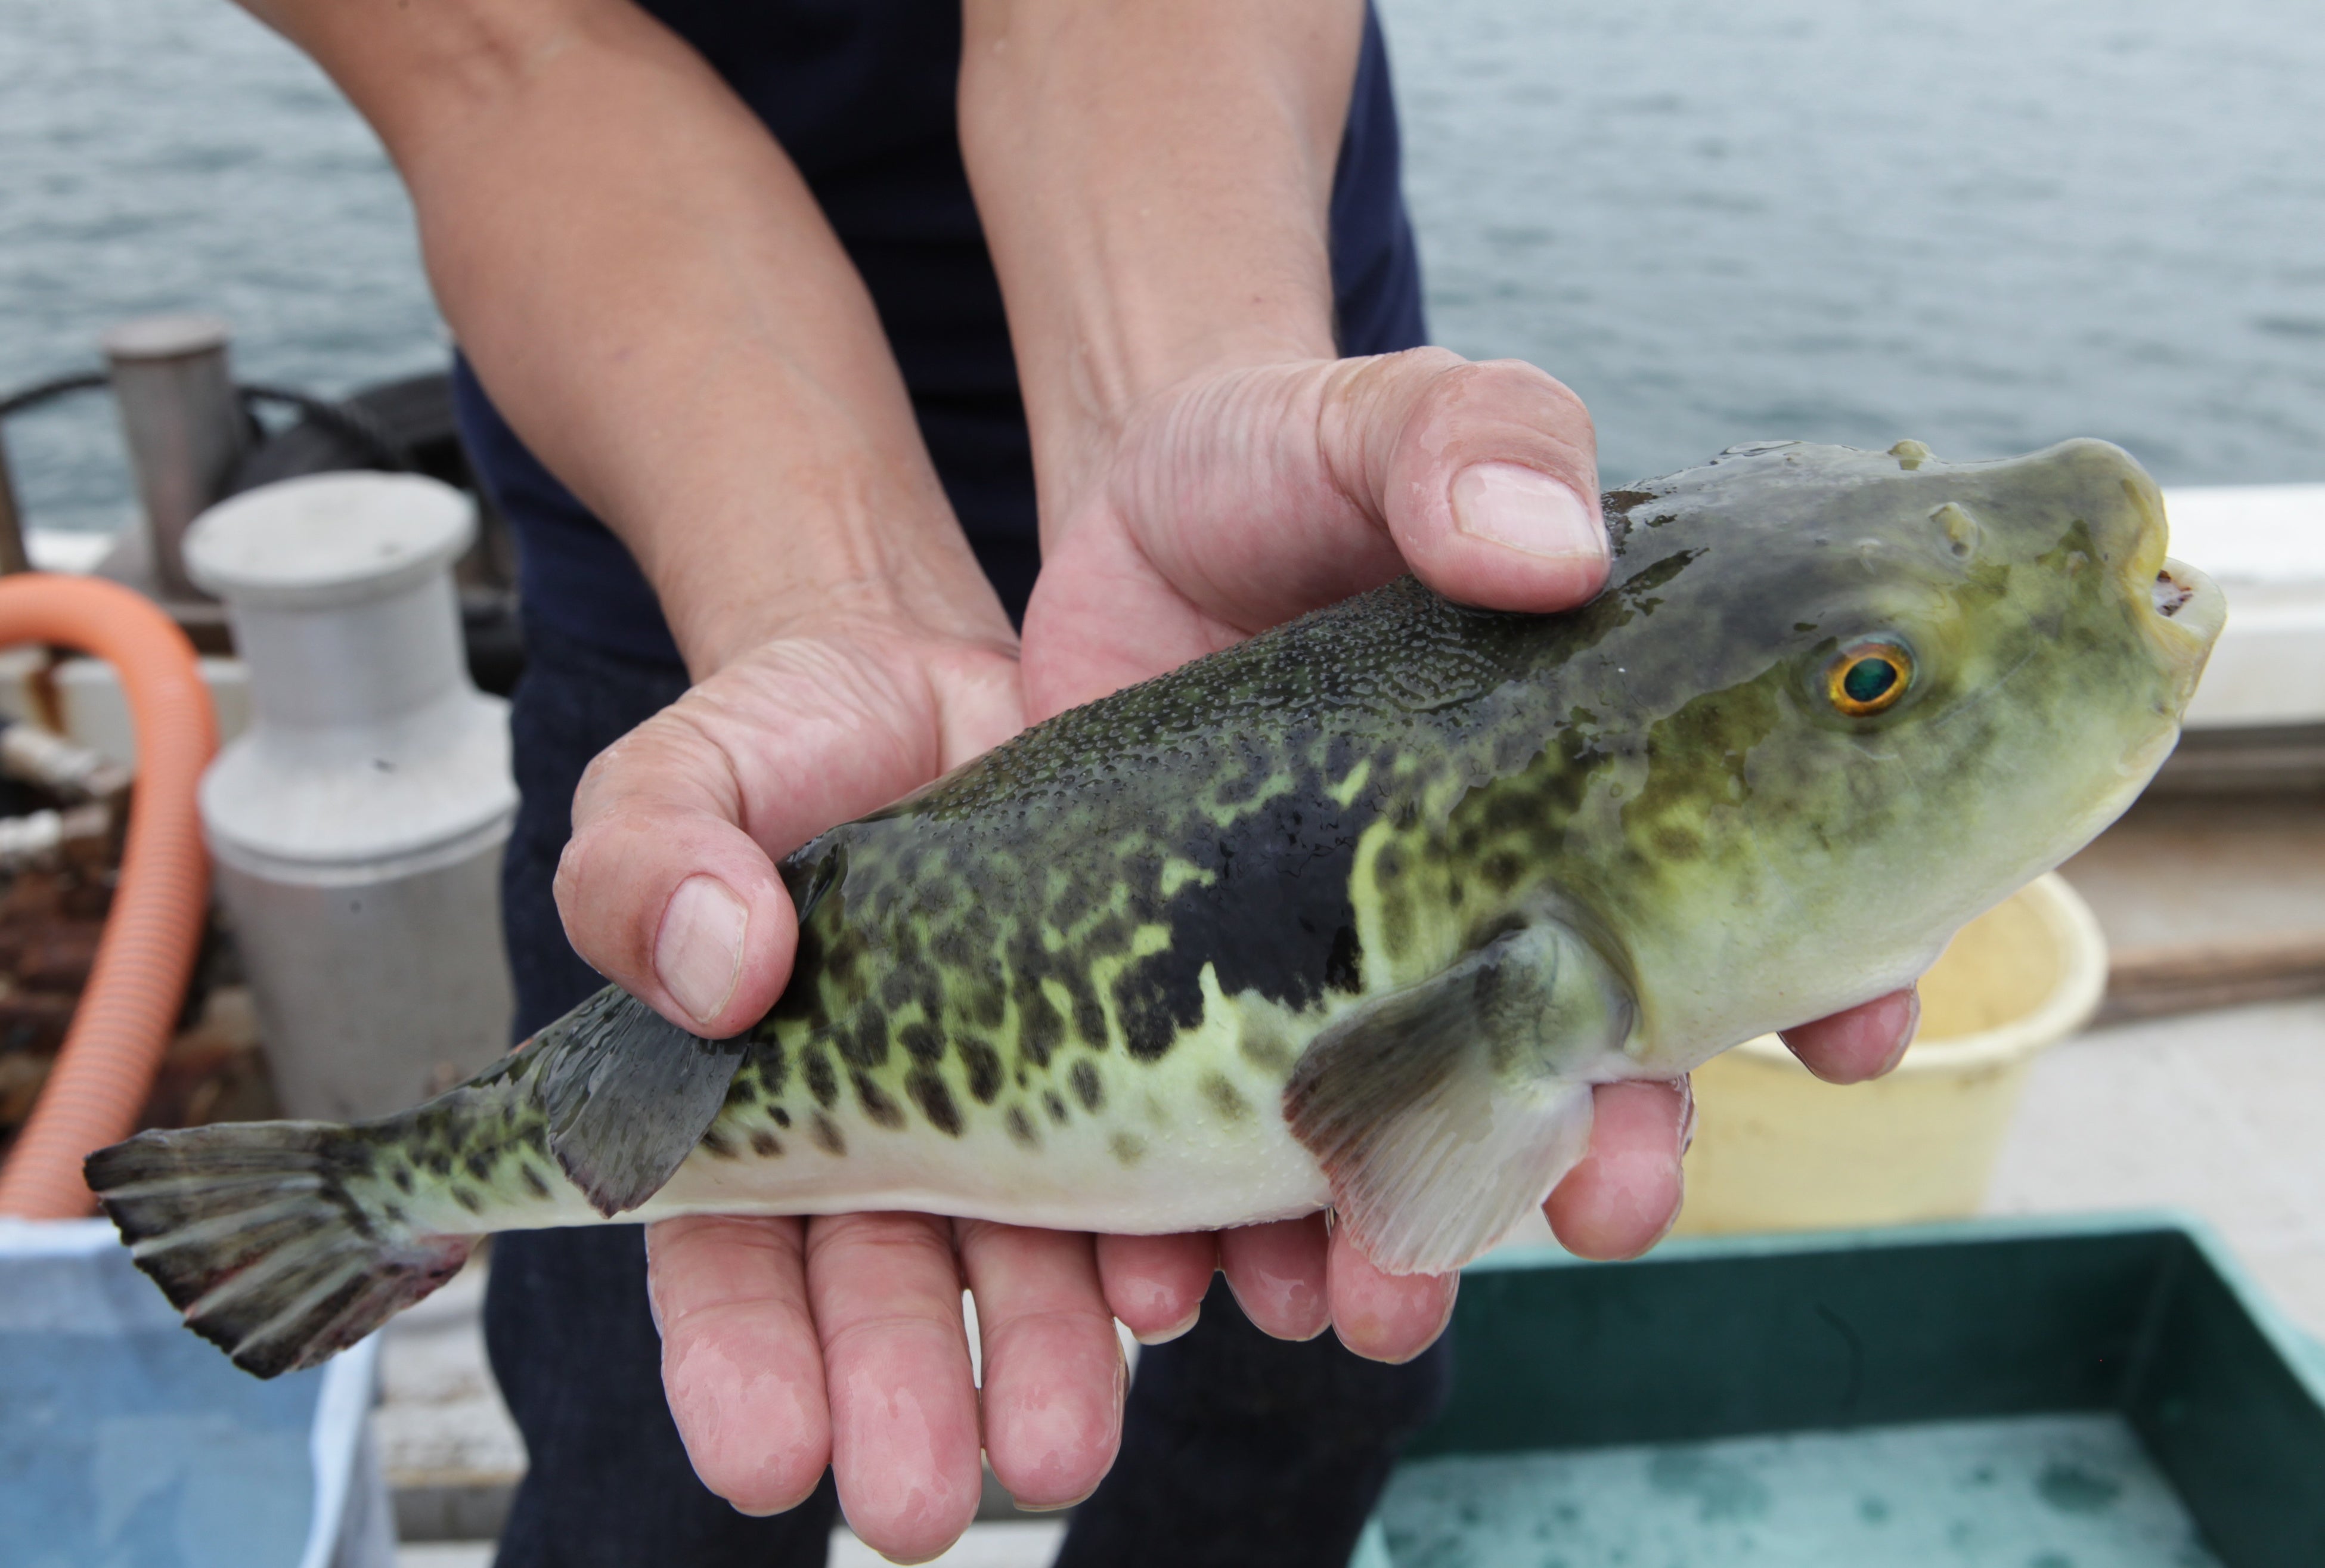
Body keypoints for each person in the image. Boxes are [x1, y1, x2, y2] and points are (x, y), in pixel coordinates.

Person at [235, 2, 1923, 1563]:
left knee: (1312, 1376)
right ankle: (377, 1197)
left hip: (1311, 571)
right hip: (692, 567)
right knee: (653, 1455)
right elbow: (500, 50)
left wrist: (1171, 399)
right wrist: (810, 593)